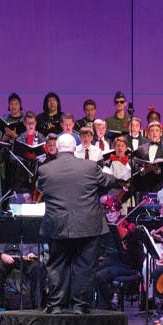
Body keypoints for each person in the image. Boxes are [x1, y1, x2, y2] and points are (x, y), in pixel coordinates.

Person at [36, 134, 116, 314]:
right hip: (87, 225)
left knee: (57, 264)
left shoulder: (45, 170)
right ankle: (80, 306)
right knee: (85, 266)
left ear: (57, 147)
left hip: (57, 225)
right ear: (75, 147)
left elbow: (42, 189)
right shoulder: (89, 166)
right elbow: (108, 181)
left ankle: (56, 305)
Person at [93, 196, 144, 310]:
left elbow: (135, 252)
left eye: (113, 212)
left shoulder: (128, 226)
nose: (110, 215)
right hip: (112, 261)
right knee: (89, 272)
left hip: (127, 264)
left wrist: (130, 235)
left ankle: (105, 307)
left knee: (101, 276)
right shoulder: (106, 227)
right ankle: (100, 304)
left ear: (119, 211)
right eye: (107, 213)